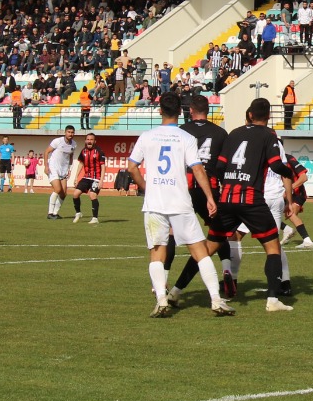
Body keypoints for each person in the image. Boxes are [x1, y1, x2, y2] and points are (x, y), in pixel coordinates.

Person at [127, 92, 233, 318]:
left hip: (155, 203)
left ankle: (162, 300)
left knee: (157, 253)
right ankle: (216, 300)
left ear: (159, 111)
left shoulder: (147, 136)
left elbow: (132, 167)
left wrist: (146, 187)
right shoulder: (185, 137)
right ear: (180, 112)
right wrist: (210, 197)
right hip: (180, 202)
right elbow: (197, 169)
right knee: (200, 252)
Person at [208, 97, 296, 312]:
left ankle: (180, 288)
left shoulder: (235, 134)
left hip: (231, 196)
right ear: (268, 117)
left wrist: (225, 184)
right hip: (262, 197)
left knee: (219, 242)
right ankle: (278, 290)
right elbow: (277, 165)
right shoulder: (271, 137)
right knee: (272, 245)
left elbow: (219, 167)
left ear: (249, 114)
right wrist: (290, 189)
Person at [170, 93, 235, 300]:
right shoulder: (220, 133)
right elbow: (224, 165)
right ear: (208, 111)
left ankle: (162, 281)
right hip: (210, 188)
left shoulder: (182, 131)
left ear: (190, 111)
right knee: (218, 232)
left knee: (171, 233)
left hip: (184, 187)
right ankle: (227, 270)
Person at [278, 151, 313, 249]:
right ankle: (286, 229)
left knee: (290, 214)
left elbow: (304, 177)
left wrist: (289, 189)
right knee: (267, 213)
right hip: (281, 194)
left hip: (297, 193)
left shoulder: (289, 159)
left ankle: (307, 240)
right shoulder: (269, 160)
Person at [70, 132, 107, 224]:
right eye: (88, 139)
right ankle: (78, 213)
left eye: (91, 139)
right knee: (75, 194)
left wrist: (101, 180)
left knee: (92, 195)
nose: (89, 141)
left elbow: (103, 166)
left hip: (96, 178)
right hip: (86, 177)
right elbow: (81, 164)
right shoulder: (83, 151)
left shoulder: (99, 151)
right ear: (85, 141)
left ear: (95, 141)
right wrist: (76, 177)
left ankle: (95, 218)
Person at [44, 125, 77, 220]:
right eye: (69, 132)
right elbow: (46, 152)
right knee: (57, 189)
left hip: (64, 170)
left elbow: (71, 156)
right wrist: (46, 166)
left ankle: (55, 213)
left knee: (63, 193)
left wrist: (69, 169)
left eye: (72, 132)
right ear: (65, 132)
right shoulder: (57, 141)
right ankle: (50, 213)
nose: (70, 134)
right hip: (53, 168)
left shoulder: (74, 144)